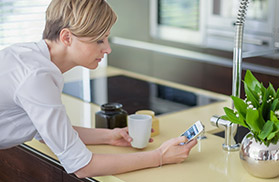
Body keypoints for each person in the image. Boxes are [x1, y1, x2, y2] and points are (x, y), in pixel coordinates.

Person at [0, 0, 197, 178]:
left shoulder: (29, 57)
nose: (108, 49)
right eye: (99, 40)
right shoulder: (37, 76)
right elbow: (82, 166)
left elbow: (45, 132)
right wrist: (160, 156)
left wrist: (110, 136)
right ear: (67, 37)